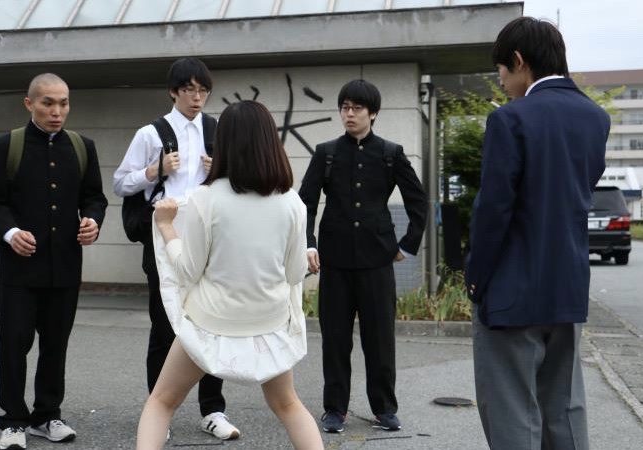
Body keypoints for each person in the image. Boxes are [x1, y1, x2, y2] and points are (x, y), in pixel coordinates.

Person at [135, 100, 323, 450]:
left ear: (224, 144)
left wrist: (166, 227)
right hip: (269, 323)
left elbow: (187, 270)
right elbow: (296, 272)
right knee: (288, 405)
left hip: (210, 323)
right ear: (270, 141)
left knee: (161, 402)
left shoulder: (205, 198)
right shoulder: (292, 203)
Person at [465, 17, 610, 449]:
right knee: (564, 408)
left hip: (511, 290)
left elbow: (494, 209)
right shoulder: (595, 118)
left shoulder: (509, 119)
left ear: (519, 61)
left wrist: (475, 279)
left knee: (512, 412)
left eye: (501, 70)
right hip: (567, 286)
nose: (501, 81)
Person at [0, 73, 108, 450]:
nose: (56, 111)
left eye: (63, 103)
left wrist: (92, 220)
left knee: (55, 345)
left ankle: (47, 416)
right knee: (14, 345)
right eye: (48, 103)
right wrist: (9, 232)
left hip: (64, 267)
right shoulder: (6, 145)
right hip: (18, 271)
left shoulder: (82, 147)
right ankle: (13, 421)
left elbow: (94, 197)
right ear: (29, 103)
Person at [112, 57, 239, 440]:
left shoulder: (218, 130)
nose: (197, 97)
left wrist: (219, 170)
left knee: (212, 321)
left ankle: (213, 410)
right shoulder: (150, 134)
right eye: (189, 89)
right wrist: (154, 171)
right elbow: (120, 183)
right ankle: (159, 413)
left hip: (208, 233)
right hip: (162, 233)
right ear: (173, 91)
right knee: (165, 323)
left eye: (203, 90)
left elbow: (236, 184)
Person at [298, 79, 427, 433]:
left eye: (356, 108)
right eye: (344, 107)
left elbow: (418, 201)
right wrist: (309, 243)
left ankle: (384, 408)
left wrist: (407, 244)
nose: (349, 114)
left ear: (373, 113)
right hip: (335, 261)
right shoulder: (326, 153)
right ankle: (334, 409)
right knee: (335, 339)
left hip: (377, 261)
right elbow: (305, 203)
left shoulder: (390, 153)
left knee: (380, 339)